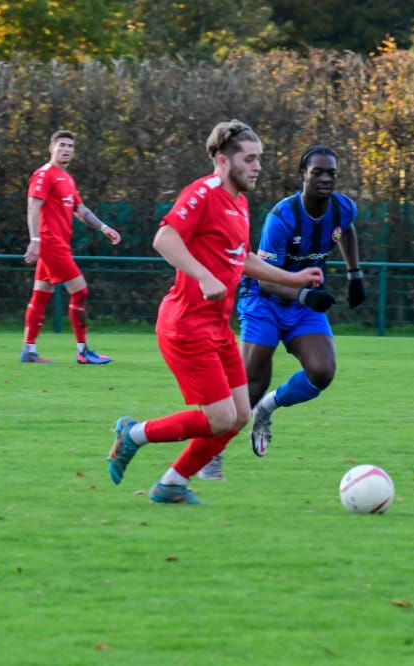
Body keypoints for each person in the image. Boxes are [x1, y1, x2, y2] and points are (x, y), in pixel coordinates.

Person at [105, 120, 325, 504]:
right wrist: (204, 276)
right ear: (223, 161)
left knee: (239, 416)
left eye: (259, 159)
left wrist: (293, 278)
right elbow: (164, 238)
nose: (258, 167)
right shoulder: (203, 193)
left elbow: (244, 259)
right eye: (249, 159)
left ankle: (172, 483)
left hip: (218, 328)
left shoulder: (239, 202)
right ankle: (133, 434)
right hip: (186, 325)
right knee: (220, 417)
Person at [198, 145, 365, 481]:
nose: (326, 178)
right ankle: (210, 455)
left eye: (331, 173)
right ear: (303, 174)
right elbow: (263, 279)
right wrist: (304, 294)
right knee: (252, 385)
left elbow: (345, 228)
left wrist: (354, 273)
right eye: (318, 172)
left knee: (322, 371)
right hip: (264, 302)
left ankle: (267, 409)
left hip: (303, 303)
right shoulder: (282, 218)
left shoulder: (343, 207)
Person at [20, 129, 122, 364]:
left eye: (70, 146)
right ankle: (83, 350)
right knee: (80, 291)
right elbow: (33, 206)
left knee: (41, 294)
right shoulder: (44, 175)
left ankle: (28, 350)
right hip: (51, 243)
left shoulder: (66, 178)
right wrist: (35, 240)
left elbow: (80, 210)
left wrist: (103, 227)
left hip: (57, 243)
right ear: (51, 148)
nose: (66, 150)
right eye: (62, 145)